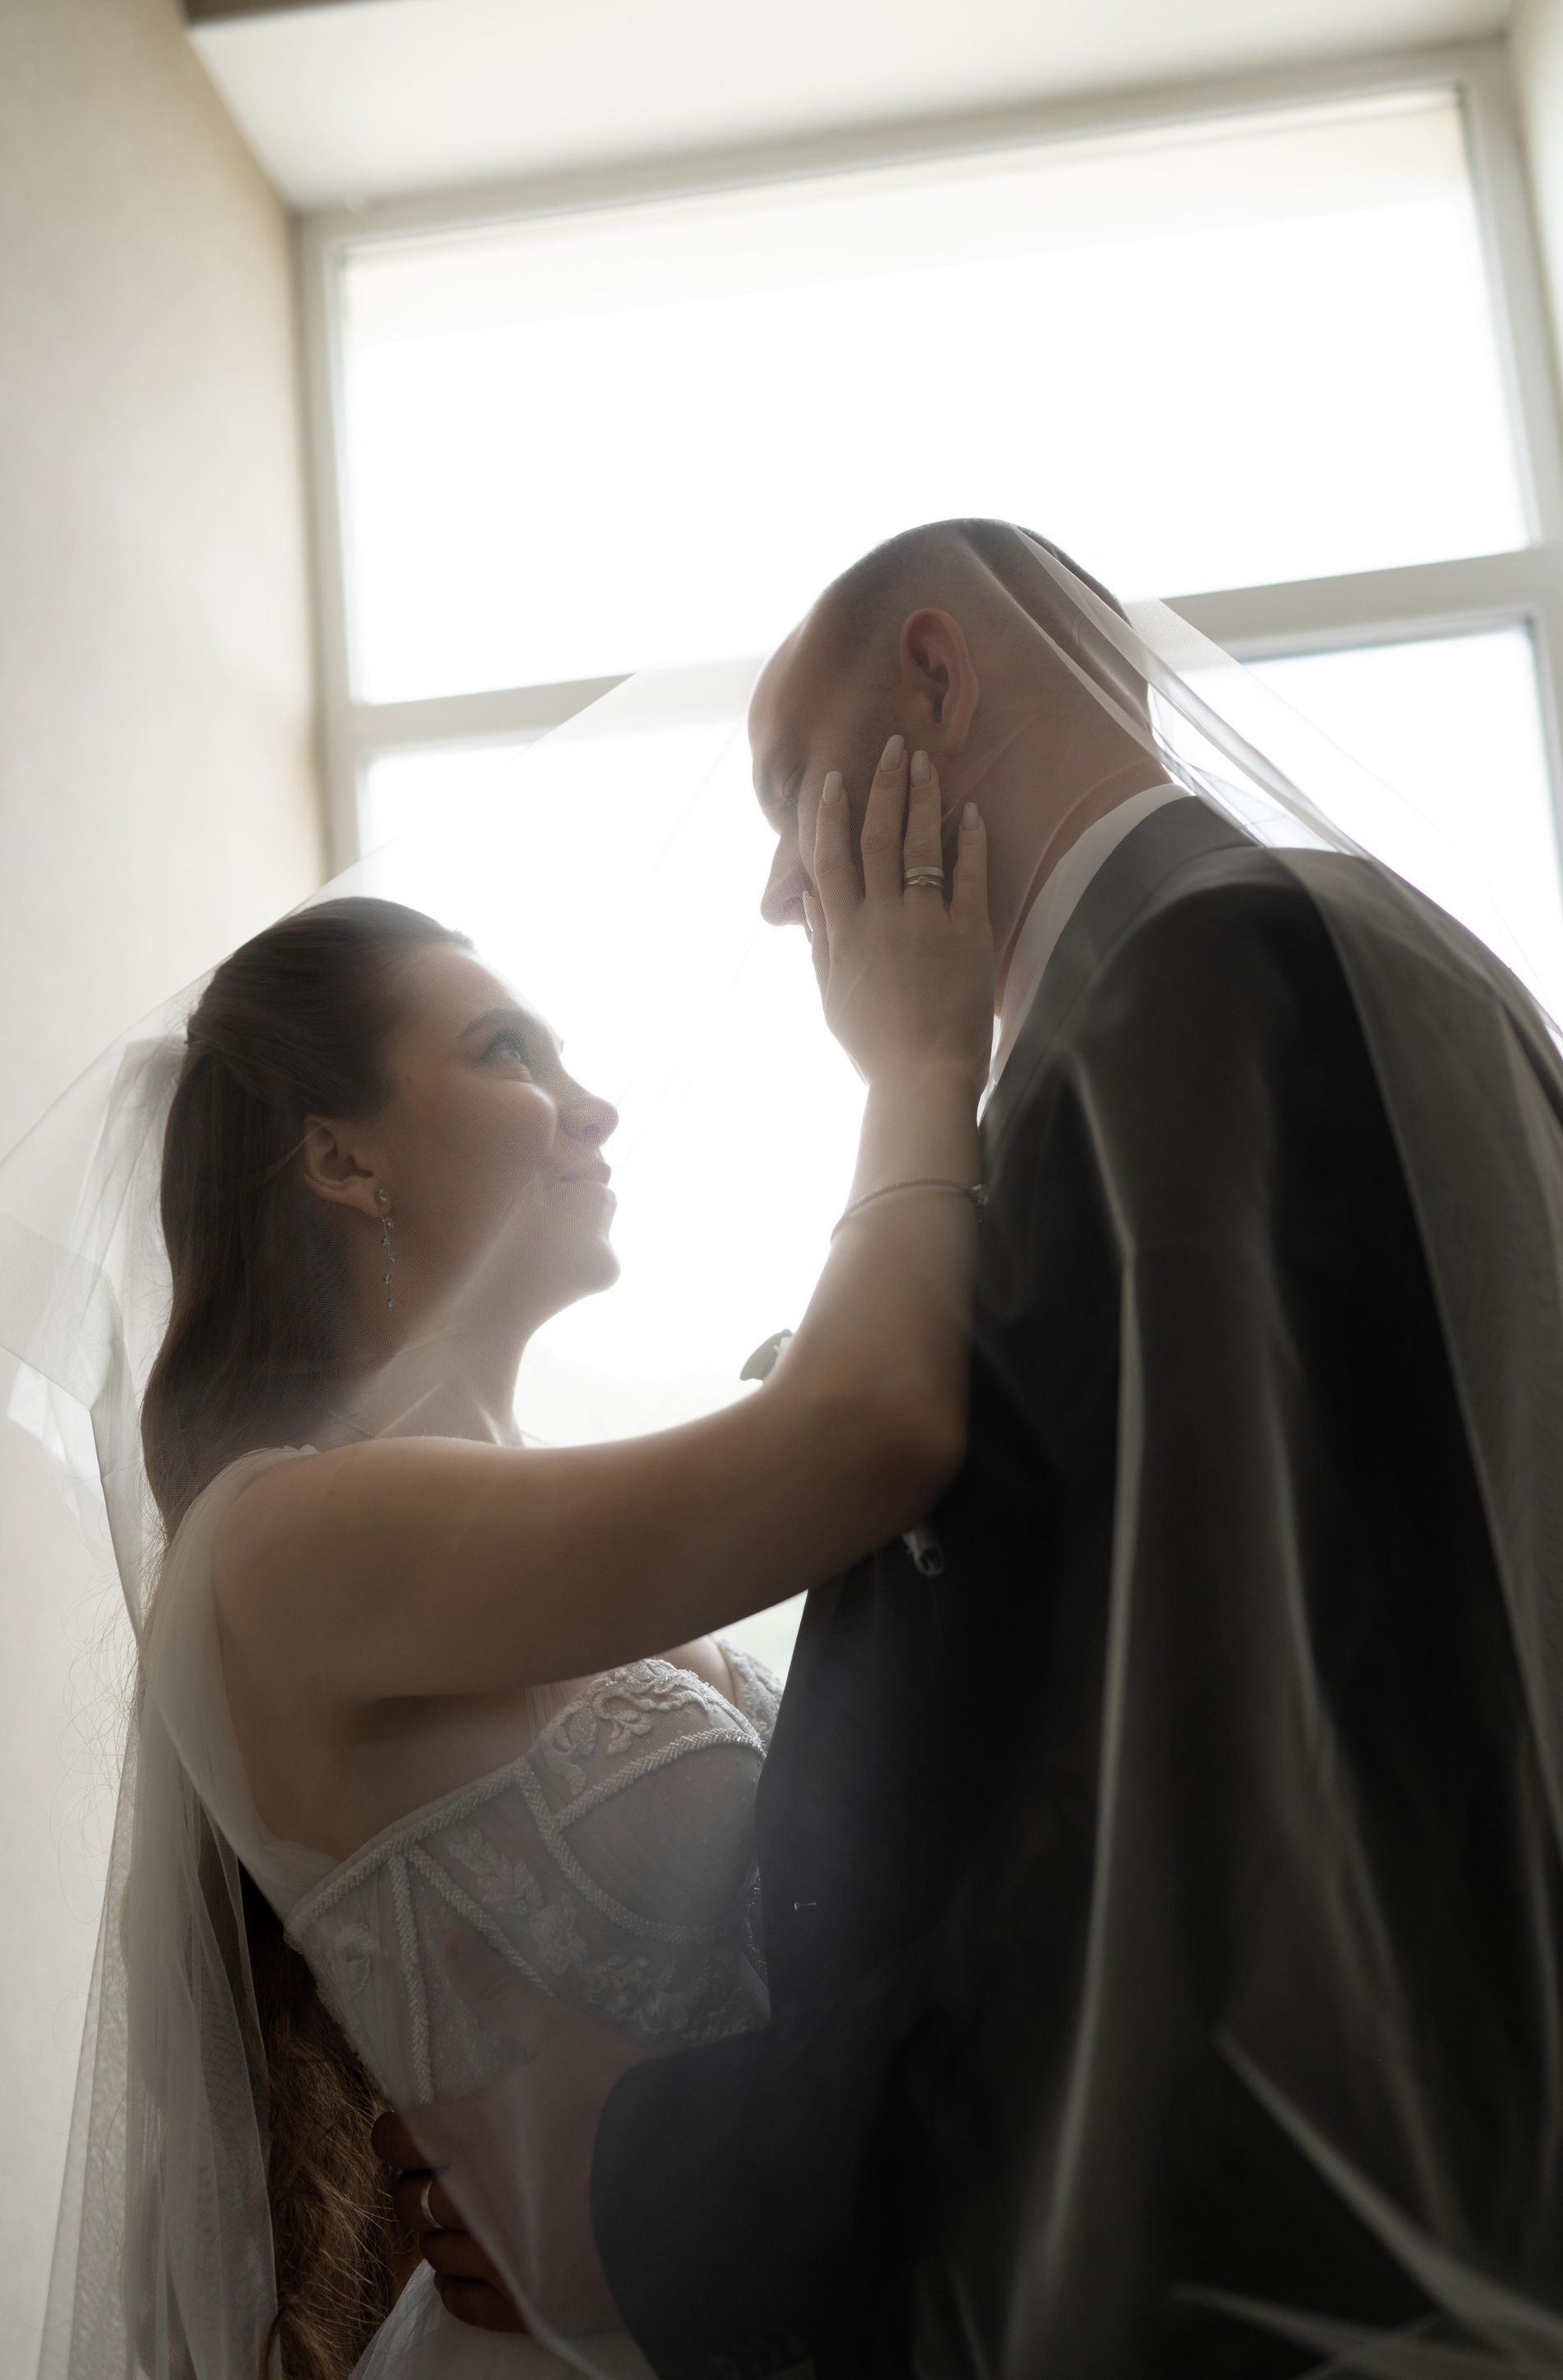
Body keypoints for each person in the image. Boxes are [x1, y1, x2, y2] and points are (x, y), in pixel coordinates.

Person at [388, 520, 1563, 2379]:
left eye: (788, 789)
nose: (778, 888)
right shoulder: (1401, 970)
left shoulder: (1203, 992)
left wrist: (659, 2173)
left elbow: (1200, 1819)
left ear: (938, 676)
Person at [0, 746, 992, 2380]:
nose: (591, 1104)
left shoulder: (515, 1530)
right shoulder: (283, 1541)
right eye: (508, 1051)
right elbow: (871, 1427)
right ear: (344, 1159)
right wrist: (923, 1051)